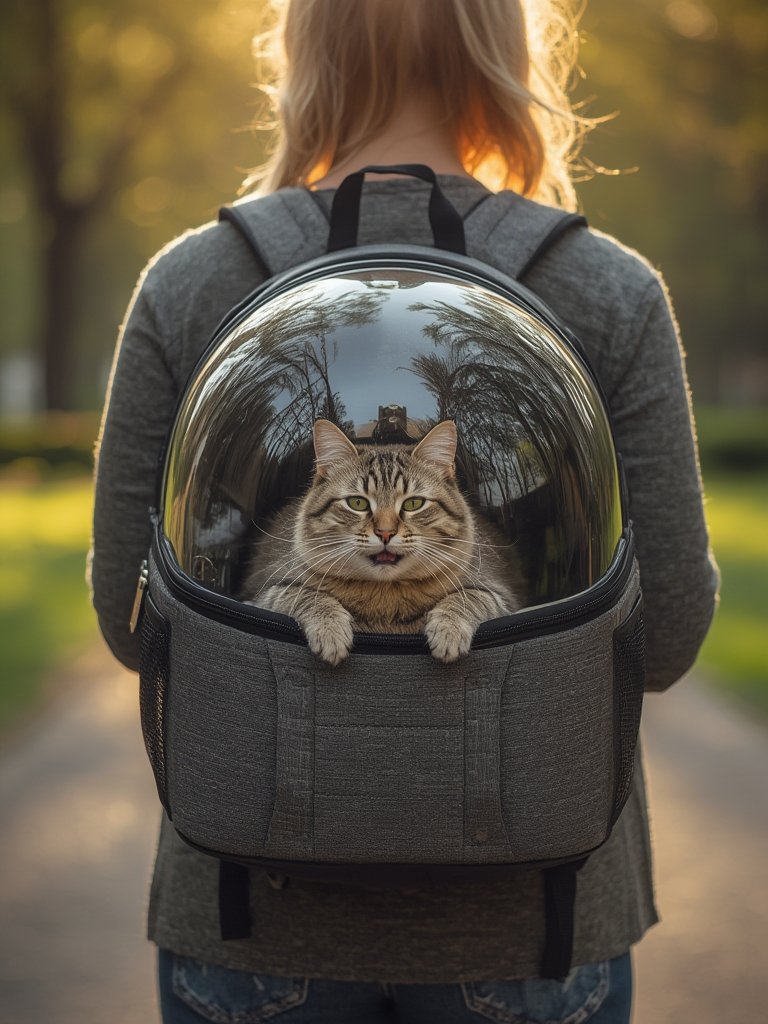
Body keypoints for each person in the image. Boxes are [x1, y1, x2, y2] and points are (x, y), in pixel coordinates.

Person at [89, 0, 719, 1021]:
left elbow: (131, 625)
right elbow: (670, 634)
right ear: (507, 52)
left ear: (301, 54)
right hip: (533, 926)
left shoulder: (190, 283)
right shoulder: (608, 290)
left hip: (253, 921)